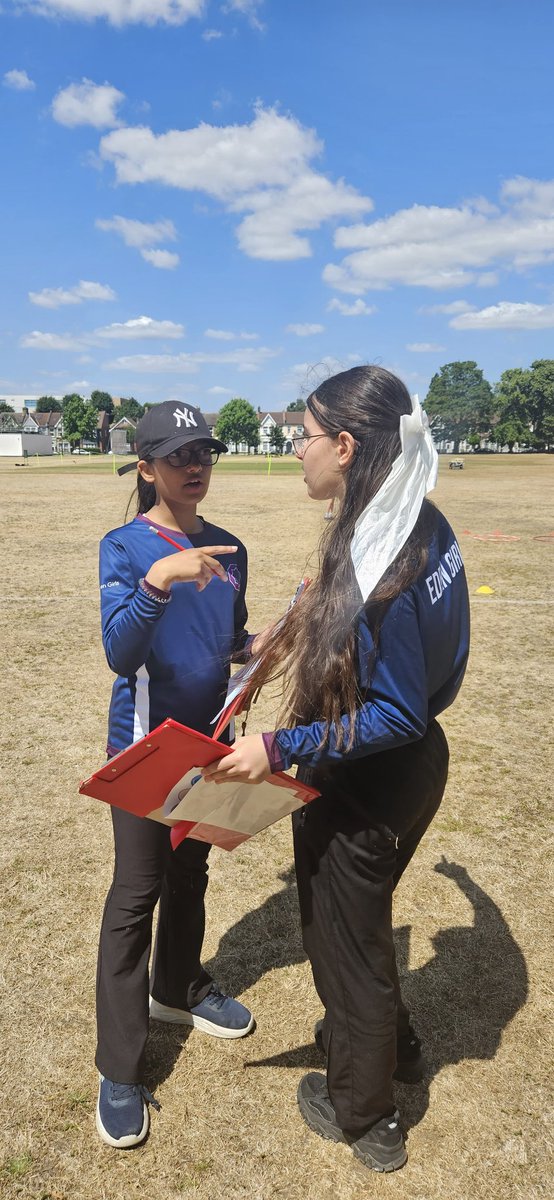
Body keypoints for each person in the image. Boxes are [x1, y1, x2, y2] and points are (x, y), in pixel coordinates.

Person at [203, 366, 470, 1174]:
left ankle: (367, 1114)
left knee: (345, 946)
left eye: (305, 436)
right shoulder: (419, 518)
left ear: (346, 446)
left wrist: (279, 748)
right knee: (361, 929)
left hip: (370, 780)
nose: (297, 450)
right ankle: (395, 1046)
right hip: (417, 768)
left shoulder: (383, 561)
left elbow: (395, 713)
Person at [95, 402, 257, 1150]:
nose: (196, 467)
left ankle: (177, 986)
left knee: (191, 874)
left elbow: (230, 639)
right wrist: (159, 579)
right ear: (146, 467)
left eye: (205, 454)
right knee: (137, 894)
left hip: (208, 747)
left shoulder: (231, 547)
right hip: (146, 749)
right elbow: (120, 654)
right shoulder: (126, 546)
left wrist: (263, 646)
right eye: (179, 455)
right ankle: (119, 1068)